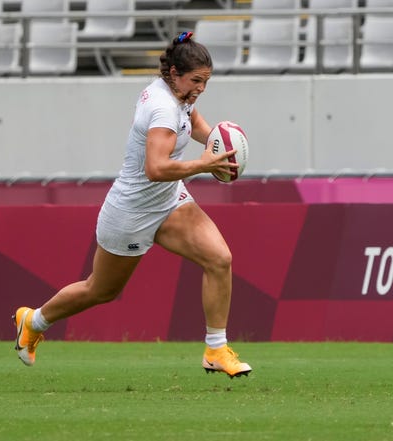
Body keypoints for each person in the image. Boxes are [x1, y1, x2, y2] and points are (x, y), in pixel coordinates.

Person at [13, 31, 252, 378]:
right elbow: (156, 169)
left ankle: (216, 349)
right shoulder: (162, 108)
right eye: (196, 81)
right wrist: (205, 165)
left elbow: (196, 123)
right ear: (174, 73)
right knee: (101, 290)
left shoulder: (180, 95)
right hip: (131, 211)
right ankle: (33, 321)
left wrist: (223, 145)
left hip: (169, 201)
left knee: (220, 259)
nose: (201, 88)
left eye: (206, 82)